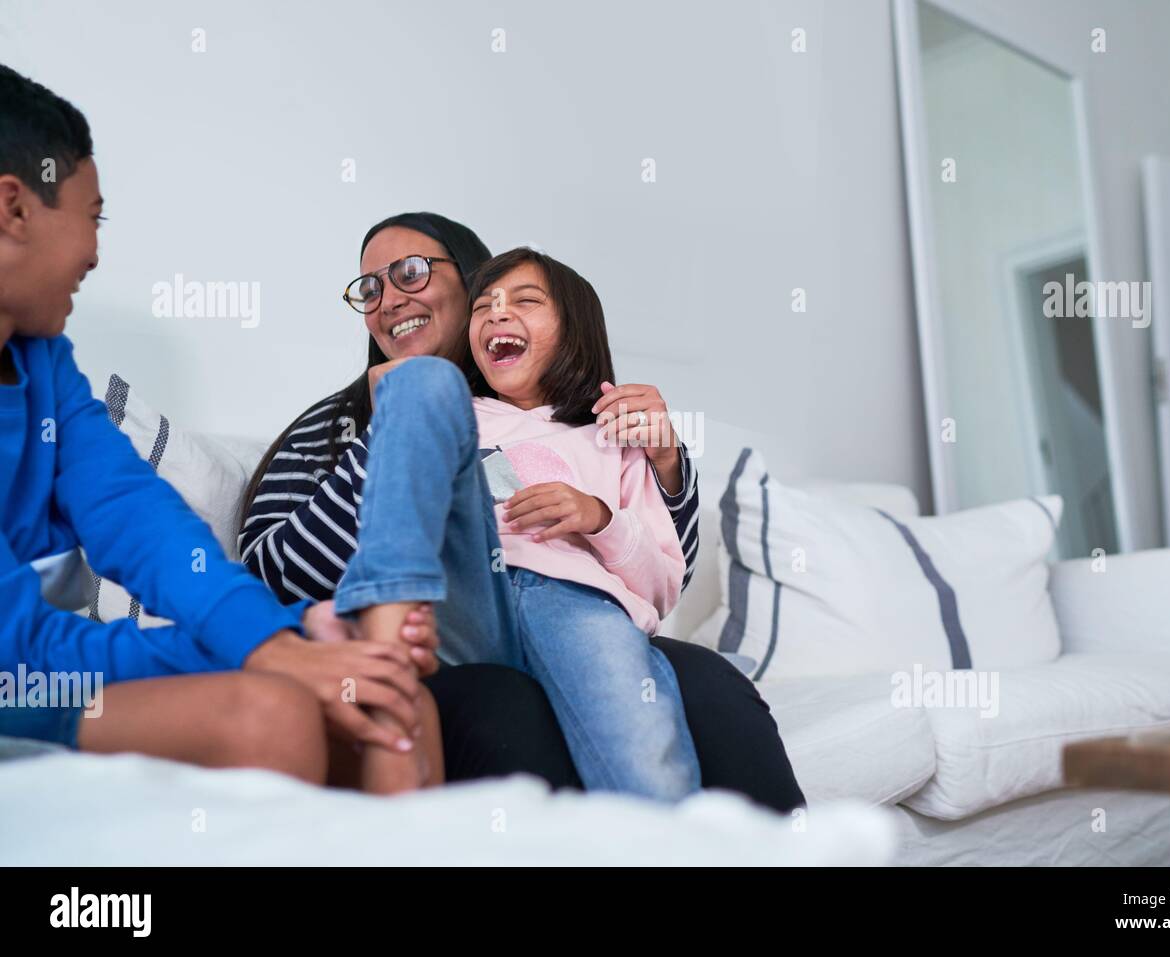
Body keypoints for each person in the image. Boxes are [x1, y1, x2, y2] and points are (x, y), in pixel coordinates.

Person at [239, 212, 806, 810]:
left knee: (709, 681)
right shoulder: (338, 422)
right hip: (442, 631)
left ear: (468, 277)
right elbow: (269, 574)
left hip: (570, 607)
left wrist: (663, 460)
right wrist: (399, 427)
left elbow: (661, 573)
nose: (386, 299)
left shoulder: (591, 426)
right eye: (371, 288)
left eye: (409, 272)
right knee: (506, 703)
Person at [0, 65, 440, 792]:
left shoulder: (43, 365)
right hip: (20, 677)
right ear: (14, 209)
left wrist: (282, 634)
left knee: (393, 696)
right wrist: (273, 647)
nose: (95, 251)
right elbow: (17, 658)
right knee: (268, 713)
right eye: (93, 215)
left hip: (38, 671)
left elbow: (137, 517)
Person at [334, 246, 699, 799]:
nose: (497, 314)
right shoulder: (455, 412)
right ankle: (376, 626)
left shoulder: (613, 434)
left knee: (635, 725)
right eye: (483, 306)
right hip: (464, 595)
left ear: (576, 330)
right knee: (419, 385)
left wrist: (599, 519)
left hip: (572, 598)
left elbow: (662, 585)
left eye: (525, 301)